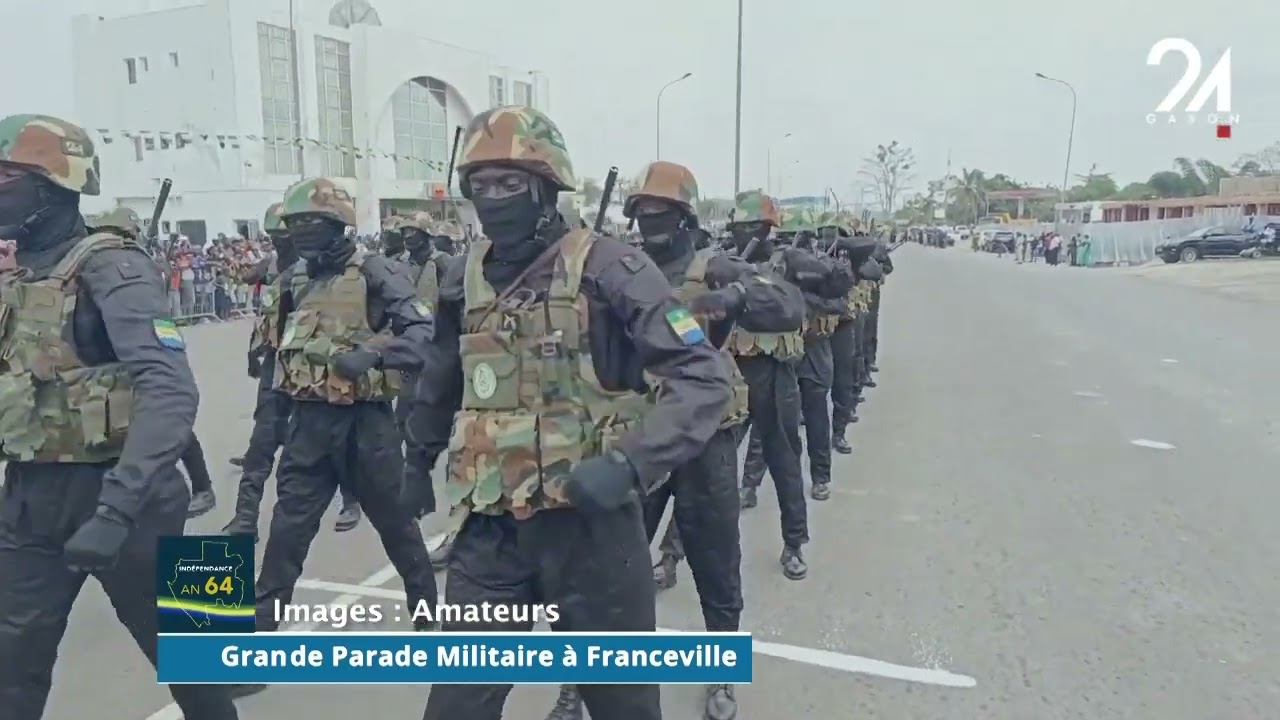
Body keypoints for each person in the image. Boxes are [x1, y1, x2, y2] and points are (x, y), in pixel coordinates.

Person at [407, 106, 731, 720]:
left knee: (625, 707)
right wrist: (414, 460)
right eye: (482, 185)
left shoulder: (610, 267)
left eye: (510, 184)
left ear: (546, 188)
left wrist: (630, 465)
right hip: (491, 531)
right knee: (455, 705)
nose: (494, 198)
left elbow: (701, 377)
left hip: (594, 534)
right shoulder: (461, 275)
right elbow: (440, 377)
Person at [0, 113, 249, 719]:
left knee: (199, 672)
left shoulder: (116, 267)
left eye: (7, 177)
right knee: (12, 672)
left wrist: (116, 509)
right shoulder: (22, 276)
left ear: (56, 183)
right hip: (32, 499)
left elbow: (171, 391)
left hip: (136, 500)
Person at [622, 160, 795, 720]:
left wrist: (737, 300)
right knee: (608, 567)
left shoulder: (714, 266)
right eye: (641, 212)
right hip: (638, 437)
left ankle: (721, 673)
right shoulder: (619, 268)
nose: (649, 221)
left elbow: (788, 307)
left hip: (705, 440)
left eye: (661, 212)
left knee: (716, 562)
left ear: (685, 216)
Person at [252, 177, 436, 632]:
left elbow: (421, 334)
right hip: (308, 424)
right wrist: (269, 430)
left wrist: (373, 353)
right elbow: (279, 360)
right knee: (285, 536)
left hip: (367, 425)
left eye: (311, 222)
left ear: (339, 224)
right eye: (294, 223)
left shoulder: (375, 271)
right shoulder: (293, 281)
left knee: (398, 528)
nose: (301, 232)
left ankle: (429, 618)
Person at [729, 190, 849, 580]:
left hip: (775, 373)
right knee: (704, 466)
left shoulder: (788, 261)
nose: (747, 232)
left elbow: (837, 288)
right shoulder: (720, 261)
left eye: (754, 226)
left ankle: (794, 543)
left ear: (768, 228)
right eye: (740, 225)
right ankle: (670, 555)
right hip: (728, 373)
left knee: (784, 462)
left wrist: (821, 275)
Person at [87, 207, 220, 517]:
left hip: (149, 351)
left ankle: (201, 488)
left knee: (174, 427)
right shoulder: (100, 262)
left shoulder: (136, 264)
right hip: (115, 360)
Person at [741, 211, 853, 502]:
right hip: (780, 354)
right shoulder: (768, 265)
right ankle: (749, 485)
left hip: (814, 349)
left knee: (816, 418)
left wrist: (800, 296)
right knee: (766, 424)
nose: (794, 245)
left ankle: (820, 478)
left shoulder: (822, 268)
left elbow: (840, 303)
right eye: (788, 238)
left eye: (800, 238)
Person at [398, 212, 456, 568]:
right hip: (415, 357)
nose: (408, 238)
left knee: (461, 450)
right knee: (406, 426)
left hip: (447, 357)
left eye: (413, 232)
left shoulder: (446, 265)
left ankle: (456, 530)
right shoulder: (401, 267)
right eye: (404, 232)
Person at [829, 228, 879, 455]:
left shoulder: (849, 253)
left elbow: (874, 266)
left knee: (842, 381)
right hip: (812, 332)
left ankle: (839, 432)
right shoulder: (799, 256)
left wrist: (842, 243)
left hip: (842, 324)